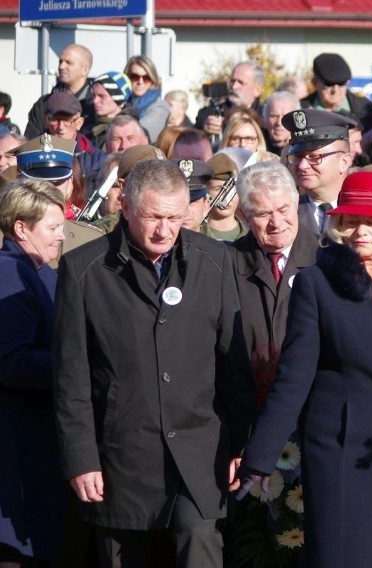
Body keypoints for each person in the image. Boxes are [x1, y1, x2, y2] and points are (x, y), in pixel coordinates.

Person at [235, 170, 372, 567]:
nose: (361, 231)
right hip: (344, 454)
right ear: (338, 224)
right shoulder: (317, 284)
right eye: (351, 220)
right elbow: (294, 377)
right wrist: (260, 457)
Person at [52, 159, 256, 567]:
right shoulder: (83, 270)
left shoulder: (215, 262)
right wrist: (81, 458)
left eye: (174, 218)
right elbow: (70, 377)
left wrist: (242, 443)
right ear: (125, 206)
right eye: (153, 217)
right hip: (122, 455)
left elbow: (233, 364)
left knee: (199, 541)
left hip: (199, 452)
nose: (164, 230)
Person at [0, 180, 68, 566]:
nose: (62, 236)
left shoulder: (38, 271)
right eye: (53, 228)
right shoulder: (10, 273)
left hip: (35, 446)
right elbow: (14, 363)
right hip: (17, 451)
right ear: (21, 228)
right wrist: (78, 363)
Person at [228, 161, 318, 404]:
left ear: (297, 202)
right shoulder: (225, 265)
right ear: (245, 216)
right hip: (245, 412)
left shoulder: (326, 259)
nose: (276, 223)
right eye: (263, 214)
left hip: (311, 410)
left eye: (283, 209)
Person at [283, 109, 355, 238]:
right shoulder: (286, 215)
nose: (302, 165)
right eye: (298, 156)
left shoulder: (363, 213)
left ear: (344, 162)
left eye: (314, 156)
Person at [25, 43, 96, 139]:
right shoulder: (44, 103)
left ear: (85, 70)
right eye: (60, 61)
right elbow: (31, 140)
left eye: (68, 62)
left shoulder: (95, 106)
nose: (61, 67)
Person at [301, 52, 372, 132]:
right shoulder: (300, 110)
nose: (335, 90)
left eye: (341, 83)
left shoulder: (367, 111)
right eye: (329, 84)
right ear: (315, 82)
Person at [197, 62, 265, 141]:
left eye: (241, 82)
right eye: (232, 81)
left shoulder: (266, 117)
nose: (234, 86)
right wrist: (204, 133)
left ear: (257, 90)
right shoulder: (208, 114)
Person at [201, 150, 248, 242]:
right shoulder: (195, 235)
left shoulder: (250, 236)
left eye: (232, 190)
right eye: (218, 189)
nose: (226, 197)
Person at [124, 55, 170, 144]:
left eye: (146, 77)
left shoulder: (160, 107)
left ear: (153, 79)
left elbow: (138, 137)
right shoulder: (122, 102)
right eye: (134, 76)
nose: (140, 82)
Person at [90, 71, 134, 149]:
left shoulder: (133, 130)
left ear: (118, 99)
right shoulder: (89, 126)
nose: (95, 101)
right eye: (94, 95)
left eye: (101, 96)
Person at [261, 91, 300, 156]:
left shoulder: (304, 149)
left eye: (285, 116)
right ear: (265, 120)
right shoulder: (256, 148)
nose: (279, 123)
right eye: (274, 116)